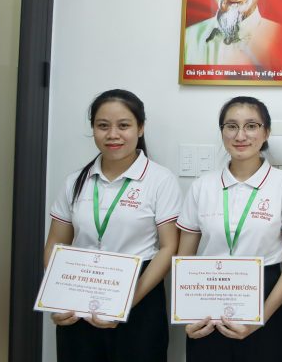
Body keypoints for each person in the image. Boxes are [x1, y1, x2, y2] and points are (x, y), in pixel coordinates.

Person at [44, 89, 181, 362]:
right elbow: (56, 243)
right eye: (103, 126)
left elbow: (169, 248)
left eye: (124, 125)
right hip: (80, 296)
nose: (113, 134)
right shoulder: (75, 181)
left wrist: (126, 303)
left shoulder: (160, 180)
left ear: (140, 128)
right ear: (93, 129)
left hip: (140, 298)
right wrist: (58, 297)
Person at [177, 96, 282, 361]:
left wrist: (259, 319)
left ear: (266, 132)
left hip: (266, 298)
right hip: (207, 299)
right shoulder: (202, 186)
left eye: (251, 126)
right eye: (231, 126)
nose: (240, 135)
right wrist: (187, 315)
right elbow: (183, 259)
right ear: (222, 132)